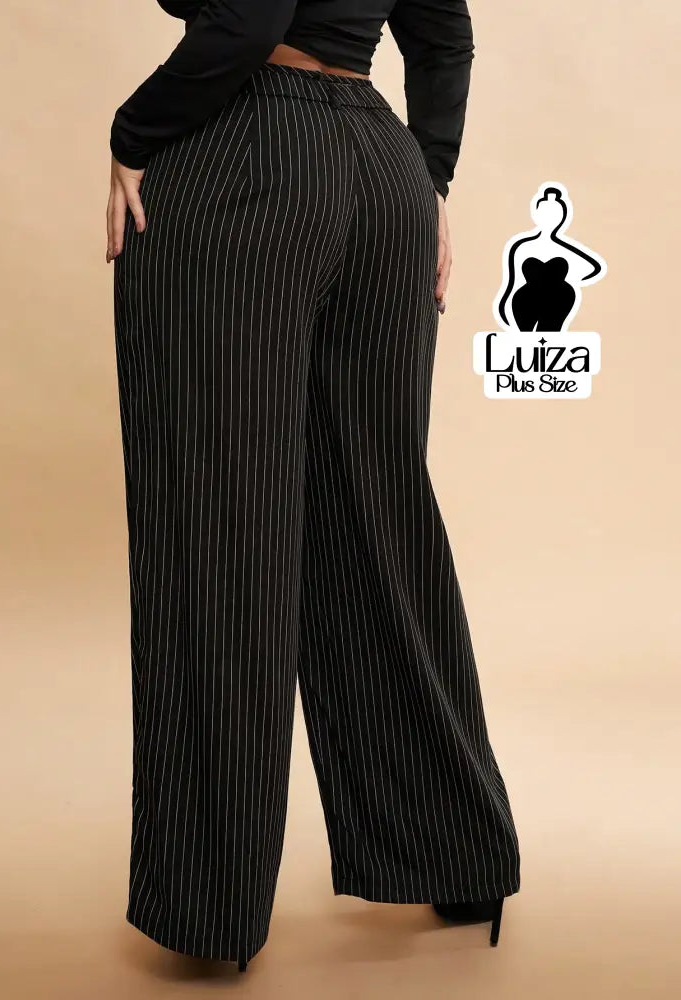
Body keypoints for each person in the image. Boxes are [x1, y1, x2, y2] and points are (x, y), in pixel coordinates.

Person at [106, 0, 521, 973]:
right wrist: (427, 179)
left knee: (221, 524)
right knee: (376, 517)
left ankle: (210, 907)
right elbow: (443, 34)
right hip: (382, 173)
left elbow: (248, 18)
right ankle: (453, 852)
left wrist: (133, 133)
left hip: (249, 159)